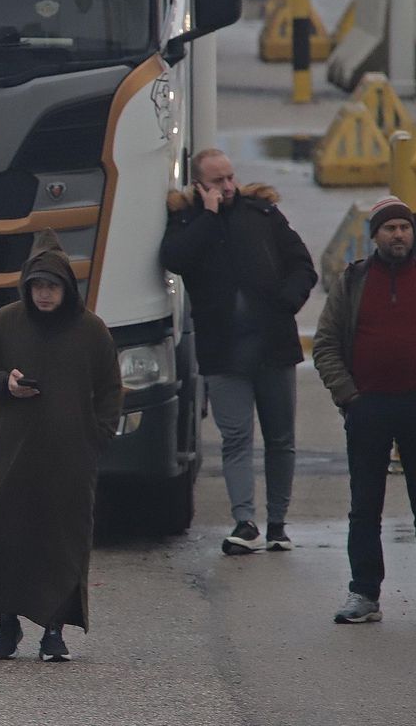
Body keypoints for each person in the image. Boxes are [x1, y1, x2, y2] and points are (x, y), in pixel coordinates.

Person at [0, 229, 123, 662]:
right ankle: (7, 623)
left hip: (69, 459)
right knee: (5, 535)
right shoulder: (5, 322)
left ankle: (54, 630)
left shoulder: (91, 331)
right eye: (37, 286)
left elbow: (110, 389)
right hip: (10, 455)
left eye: (51, 286)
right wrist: (4, 383)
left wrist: (97, 435)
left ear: (66, 289)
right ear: (26, 288)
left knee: (62, 539)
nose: (44, 294)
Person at [313, 196, 416, 625]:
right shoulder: (352, 283)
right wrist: (349, 395)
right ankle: (363, 593)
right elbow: (326, 344)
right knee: (365, 505)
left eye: (404, 227)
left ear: (412, 233)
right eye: (389, 228)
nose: (398, 235)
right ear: (375, 235)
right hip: (368, 408)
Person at [159, 148, 317, 555]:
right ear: (199, 185)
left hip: (273, 344)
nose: (228, 187)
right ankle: (245, 522)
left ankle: (278, 524)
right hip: (223, 351)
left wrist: (286, 301)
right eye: (217, 182)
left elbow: (302, 264)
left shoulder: (261, 213)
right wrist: (208, 217)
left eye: (230, 178)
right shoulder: (187, 220)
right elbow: (173, 259)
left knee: (280, 438)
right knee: (236, 437)